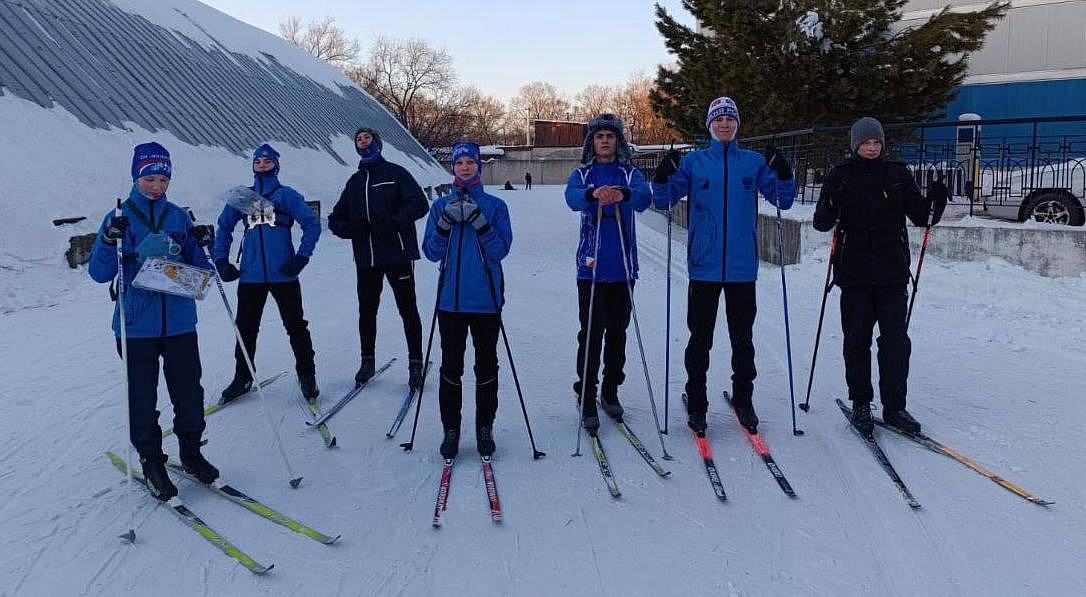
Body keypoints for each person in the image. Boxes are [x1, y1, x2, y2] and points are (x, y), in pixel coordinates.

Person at [652, 97, 795, 435]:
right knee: (700, 339)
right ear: (710, 125)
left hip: (742, 267)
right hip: (703, 265)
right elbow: (663, 200)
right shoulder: (695, 163)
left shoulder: (753, 162)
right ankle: (697, 402)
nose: (725, 125)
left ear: (737, 124)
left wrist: (785, 173)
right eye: (719, 120)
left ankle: (744, 400)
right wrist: (662, 176)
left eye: (730, 119)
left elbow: (783, 199)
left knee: (742, 339)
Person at [88, 142, 219, 500]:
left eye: (163, 179)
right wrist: (108, 240)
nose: (157, 185)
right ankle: (152, 461)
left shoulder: (179, 216)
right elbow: (99, 273)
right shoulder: (119, 217)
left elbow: (203, 270)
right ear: (136, 176)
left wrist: (207, 243)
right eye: (150, 178)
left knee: (189, 393)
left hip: (179, 322)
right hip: (135, 325)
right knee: (143, 397)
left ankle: (191, 452)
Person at [813, 117, 947, 435]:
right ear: (855, 144)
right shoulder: (841, 176)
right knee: (856, 341)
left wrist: (936, 202)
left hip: (892, 274)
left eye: (877, 143)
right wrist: (831, 201)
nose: (872, 148)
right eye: (866, 143)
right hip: (854, 274)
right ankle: (861, 403)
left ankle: (895, 407)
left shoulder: (897, 174)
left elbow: (921, 216)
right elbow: (821, 221)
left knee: (896, 343)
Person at [422, 141, 513, 459]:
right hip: (451, 302)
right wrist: (445, 225)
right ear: (453, 168)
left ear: (479, 167)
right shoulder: (439, 207)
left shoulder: (496, 206)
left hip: (486, 299)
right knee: (451, 367)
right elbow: (430, 252)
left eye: (470, 163)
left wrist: (480, 222)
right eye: (459, 163)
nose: (465, 168)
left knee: (487, 366)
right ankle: (451, 428)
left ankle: (485, 427)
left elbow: (501, 250)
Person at [213, 144, 321, 401]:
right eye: (257, 161)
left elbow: (311, 224)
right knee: (246, 328)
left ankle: (307, 375)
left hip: (283, 272)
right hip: (251, 275)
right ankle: (242, 377)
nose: (261, 165)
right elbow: (224, 227)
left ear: (276, 165)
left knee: (296, 326)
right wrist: (221, 259)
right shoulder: (244, 196)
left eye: (267, 161)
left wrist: (301, 257)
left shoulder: (286, 195)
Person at [564, 114, 651, 431]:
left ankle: (611, 389)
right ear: (592, 142)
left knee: (618, 332)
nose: (604, 141)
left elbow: (643, 198)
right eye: (599, 136)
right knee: (590, 334)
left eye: (610, 136)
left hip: (624, 268)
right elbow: (572, 197)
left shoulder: (629, 174)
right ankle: (586, 393)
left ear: (618, 141)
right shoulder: (583, 174)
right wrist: (592, 195)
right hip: (591, 268)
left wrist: (623, 194)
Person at [329, 127, 430, 388]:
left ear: (378, 142)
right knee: (366, 311)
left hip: (397, 254)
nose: (363, 142)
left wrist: (395, 222)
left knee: (407, 310)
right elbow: (334, 219)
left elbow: (420, 203)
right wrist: (350, 229)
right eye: (358, 139)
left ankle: (415, 362)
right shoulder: (354, 182)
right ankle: (367, 360)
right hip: (367, 259)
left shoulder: (396, 173)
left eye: (367, 138)